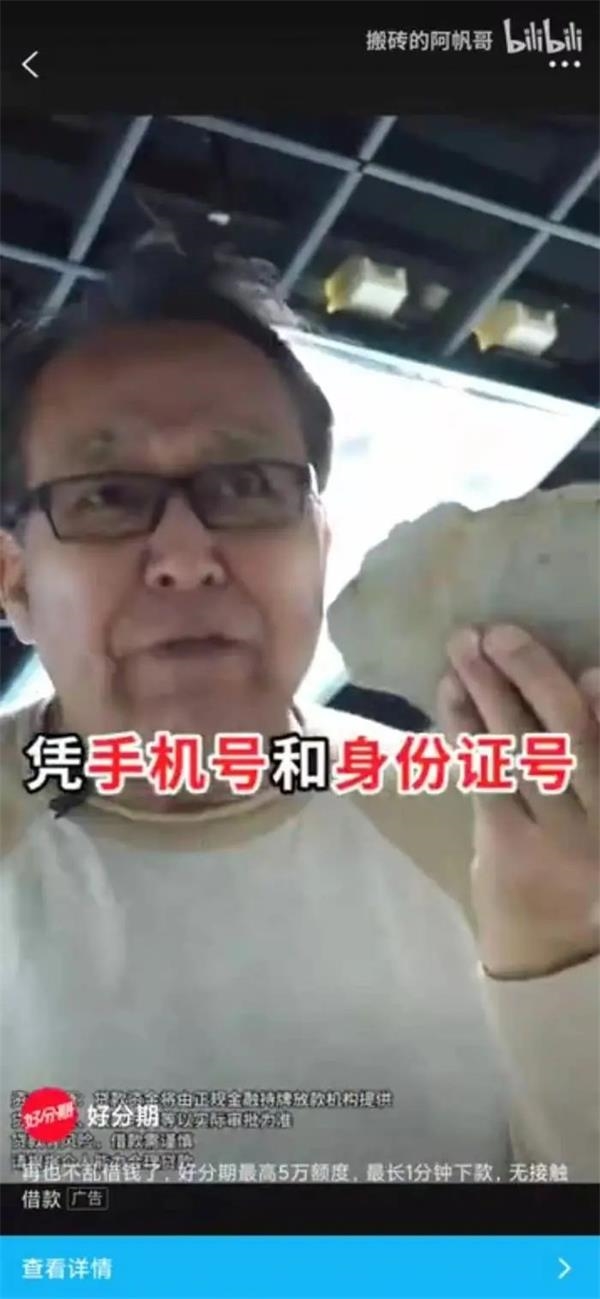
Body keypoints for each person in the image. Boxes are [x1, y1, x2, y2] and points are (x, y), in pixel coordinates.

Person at [0, 246, 598, 1185]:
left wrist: (563, 949)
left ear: (320, 548)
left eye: (246, 486)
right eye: (107, 496)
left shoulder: (507, 821)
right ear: (16, 582)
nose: (186, 556)